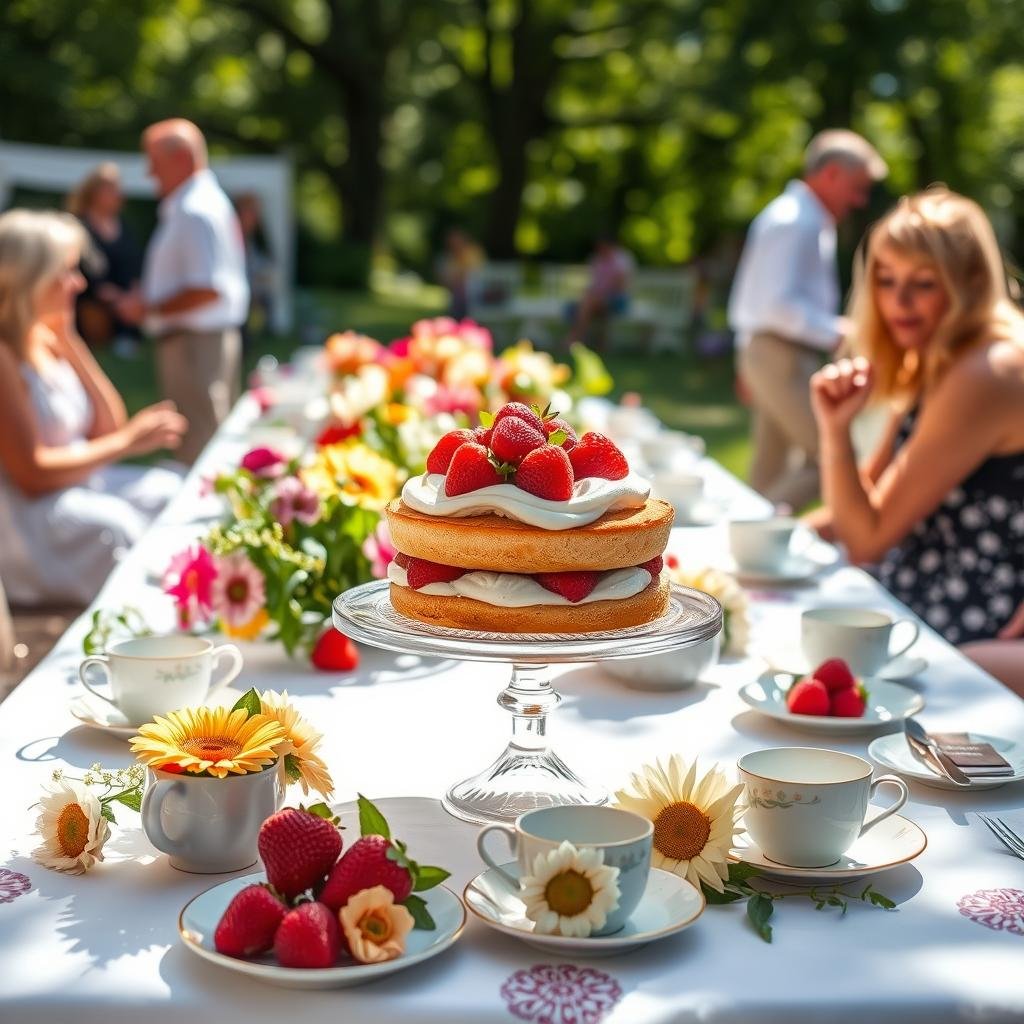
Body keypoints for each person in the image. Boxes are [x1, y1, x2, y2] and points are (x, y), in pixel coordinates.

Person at [807, 187, 1024, 647]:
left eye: (923, 283)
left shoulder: (986, 371)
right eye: (885, 280)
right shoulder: (945, 360)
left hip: (973, 618)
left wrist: (834, 431)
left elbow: (866, 538)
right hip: (925, 594)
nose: (899, 301)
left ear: (968, 285)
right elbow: (862, 502)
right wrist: (769, 537)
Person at [0, 210, 187, 606]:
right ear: (29, 280)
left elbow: (108, 425)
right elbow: (31, 474)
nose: (79, 283)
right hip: (29, 515)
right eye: (66, 271)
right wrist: (126, 444)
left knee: (172, 487)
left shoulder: (46, 335)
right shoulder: (4, 356)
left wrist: (70, 339)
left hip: (77, 486)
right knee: (114, 529)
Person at [728, 129, 888, 511]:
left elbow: (757, 298)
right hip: (779, 354)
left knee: (769, 469)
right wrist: (838, 332)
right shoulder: (796, 222)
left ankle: (750, 539)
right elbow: (776, 305)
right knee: (833, 456)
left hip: (770, 353)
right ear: (831, 173)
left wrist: (745, 360)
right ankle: (756, 533)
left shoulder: (796, 216)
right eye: (856, 187)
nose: (859, 200)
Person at [117, 118, 249, 465]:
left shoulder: (194, 210)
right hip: (201, 340)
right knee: (208, 442)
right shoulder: (201, 203)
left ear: (182, 159)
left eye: (155, 162)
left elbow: (208, 289)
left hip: (194, 343)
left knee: (199, 450)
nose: (150, 173)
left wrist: (148, 309)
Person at [66, 162, 143, 351]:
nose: (117, 194)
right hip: (90, 301)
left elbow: (134, 265)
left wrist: (133, 295)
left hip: (124, 300)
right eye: (110, 188)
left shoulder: (124, 227)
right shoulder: (78, 226)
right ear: (93, 191)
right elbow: (86, 268)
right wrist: (112, 296)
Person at [565, 236, 634, 348]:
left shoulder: (622, 259)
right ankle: (596, 342)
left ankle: (575, 338)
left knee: (588, 304)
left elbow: (620, 285)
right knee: (581, 305)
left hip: (618, 299)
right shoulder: (596, 259)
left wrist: (599, 294)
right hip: (597, 300)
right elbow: (594, 283)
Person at [234, 192, 276, 340]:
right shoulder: (231, 236)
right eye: (252, 212)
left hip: (249, 304)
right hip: (235, 307)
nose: (256, 218)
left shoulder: (253, 239)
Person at [437, 228, 485, 320]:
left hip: (477, 289)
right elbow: (447, 279)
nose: (454, 244)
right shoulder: (449, 257)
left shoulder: (473, 252)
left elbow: (474, 273)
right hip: (459, 292)